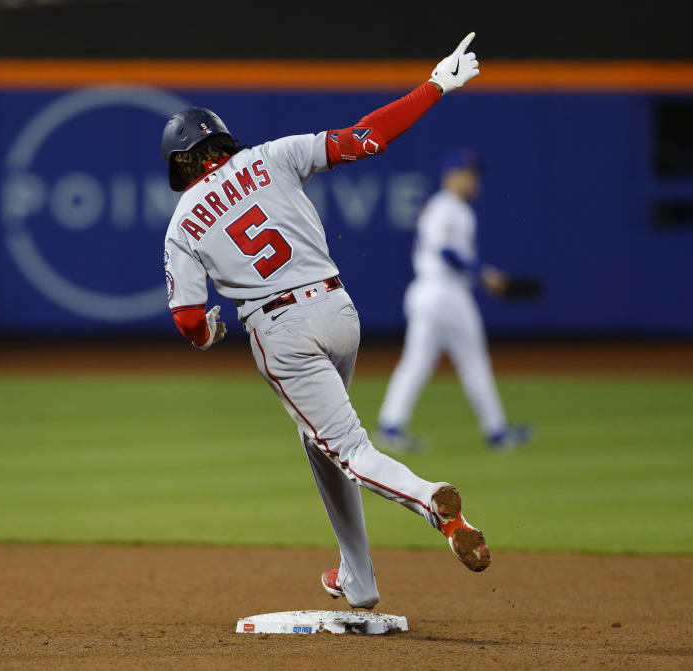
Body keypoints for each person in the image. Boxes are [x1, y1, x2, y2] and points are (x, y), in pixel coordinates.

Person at [161, 34, 489, 610]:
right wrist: (436, 83)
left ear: (182, 162)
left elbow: (190, 320)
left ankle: (431, 500)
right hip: (339, 312)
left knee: (349, 448)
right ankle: (357, 578)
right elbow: (369, 137)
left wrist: (211, 333)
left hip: (279, 330)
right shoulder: (271, 155)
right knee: (321, 440)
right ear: (220, 139)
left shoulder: (183, 221)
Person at [375, 149, 533, 452]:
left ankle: (391, 426)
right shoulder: (448, 208)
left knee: (416, 362)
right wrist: (482, 273)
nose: (474, 180)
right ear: (451, 176)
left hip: (429, 293)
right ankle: (497, 432)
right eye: (468, 174)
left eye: (474, 174)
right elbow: (446, 251)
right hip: (445, 292)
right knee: (472, 362)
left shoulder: (447, 207)